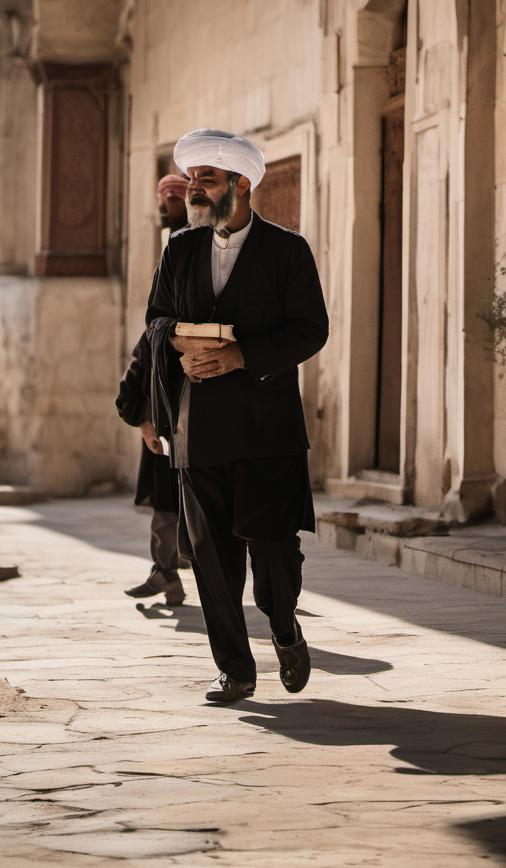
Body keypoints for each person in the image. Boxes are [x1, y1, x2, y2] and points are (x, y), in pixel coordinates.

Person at [140, 128, 328, 702]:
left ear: (241, 185)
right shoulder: (180, 250)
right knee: (213, 562)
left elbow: (310, 329)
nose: (194, 188)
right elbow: (155, 320)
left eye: (207, 179)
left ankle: (284, 627)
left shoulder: (287, 250)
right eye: (192, 179)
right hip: (200, 431)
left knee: (272, 550)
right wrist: (181, 344)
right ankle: (236, 670)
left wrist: (243, 355)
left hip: (269, 431)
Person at [116, 174, 190, 605]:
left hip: (206, 431)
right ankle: (166, 574)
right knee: (167, 508)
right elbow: (133, 381)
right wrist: (145, 420)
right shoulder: (155, 334)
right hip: (164, 432)